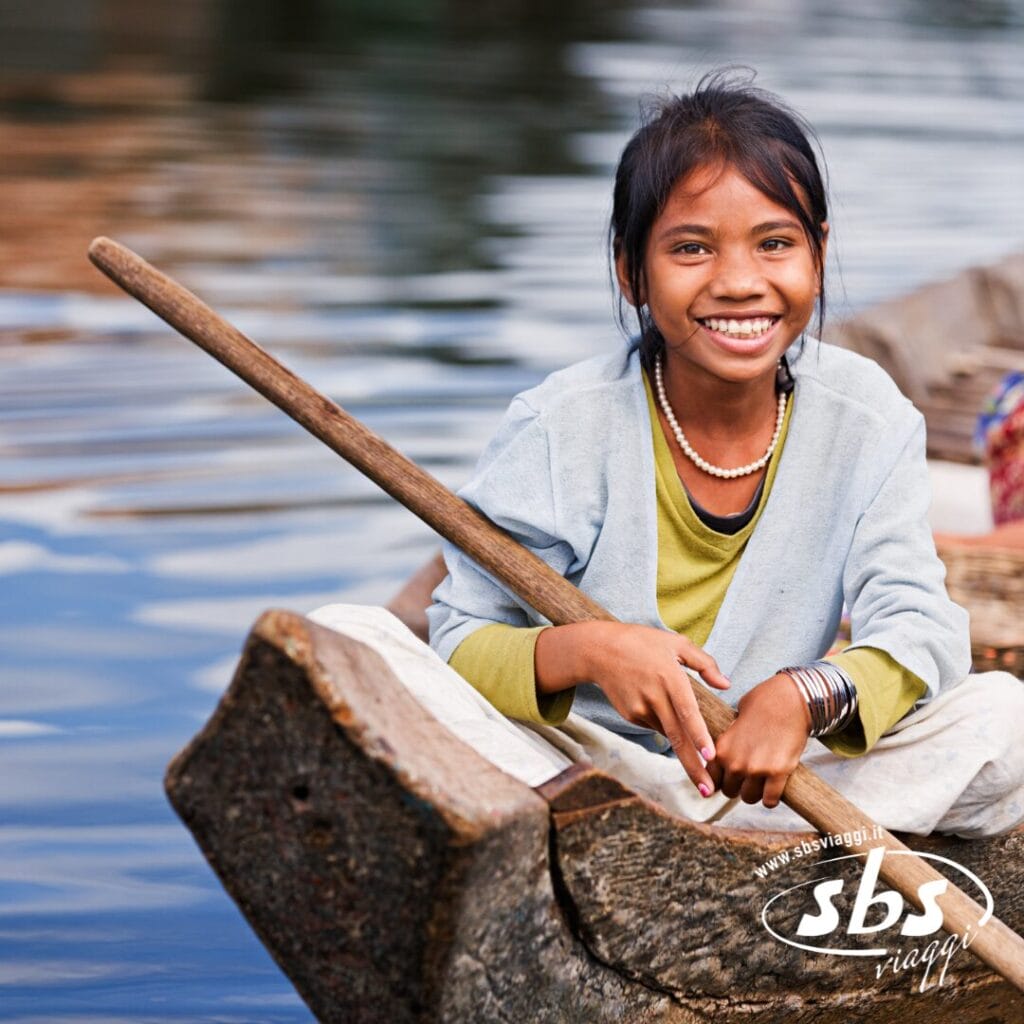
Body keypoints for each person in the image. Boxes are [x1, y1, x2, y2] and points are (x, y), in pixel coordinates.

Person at [423, 71, 1024, 838]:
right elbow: (458, 641)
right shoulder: (559, 426)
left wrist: (809, 694)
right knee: (366, 642)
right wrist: (587, 651)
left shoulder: (868, 418)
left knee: (1004, 719)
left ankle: (698, 830)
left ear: (818, 254)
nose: (740, 283)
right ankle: (684, 828)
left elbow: (921, 628)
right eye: (691, 249)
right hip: (582, 767)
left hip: (773, 778)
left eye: (775, 244)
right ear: (631, 271)